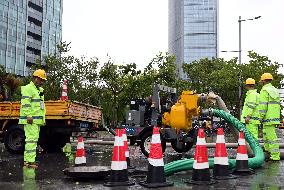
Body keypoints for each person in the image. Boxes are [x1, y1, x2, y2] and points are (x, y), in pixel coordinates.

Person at [19, 69, 47, 168]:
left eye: (43, 80)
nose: (42, 82)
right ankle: (29, 162)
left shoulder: (39, 90)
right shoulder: (28, 88)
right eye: (41, 80)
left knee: (33, 140)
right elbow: (25, 104)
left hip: (36, 120)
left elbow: (41, 107)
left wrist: (42, 120)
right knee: (31, 140)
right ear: (36, 78)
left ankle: (29, 161)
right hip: (31, 119)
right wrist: (28, 116)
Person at [259, 73, 280, 161]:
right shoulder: (274, 90)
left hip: (267, 117)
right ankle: (268, 151)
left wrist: (260, 117)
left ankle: (275, 156)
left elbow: (263, 106)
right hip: (274, 117)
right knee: (266, 135)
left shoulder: (264, 90)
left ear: (263, 81)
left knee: (271, 137)